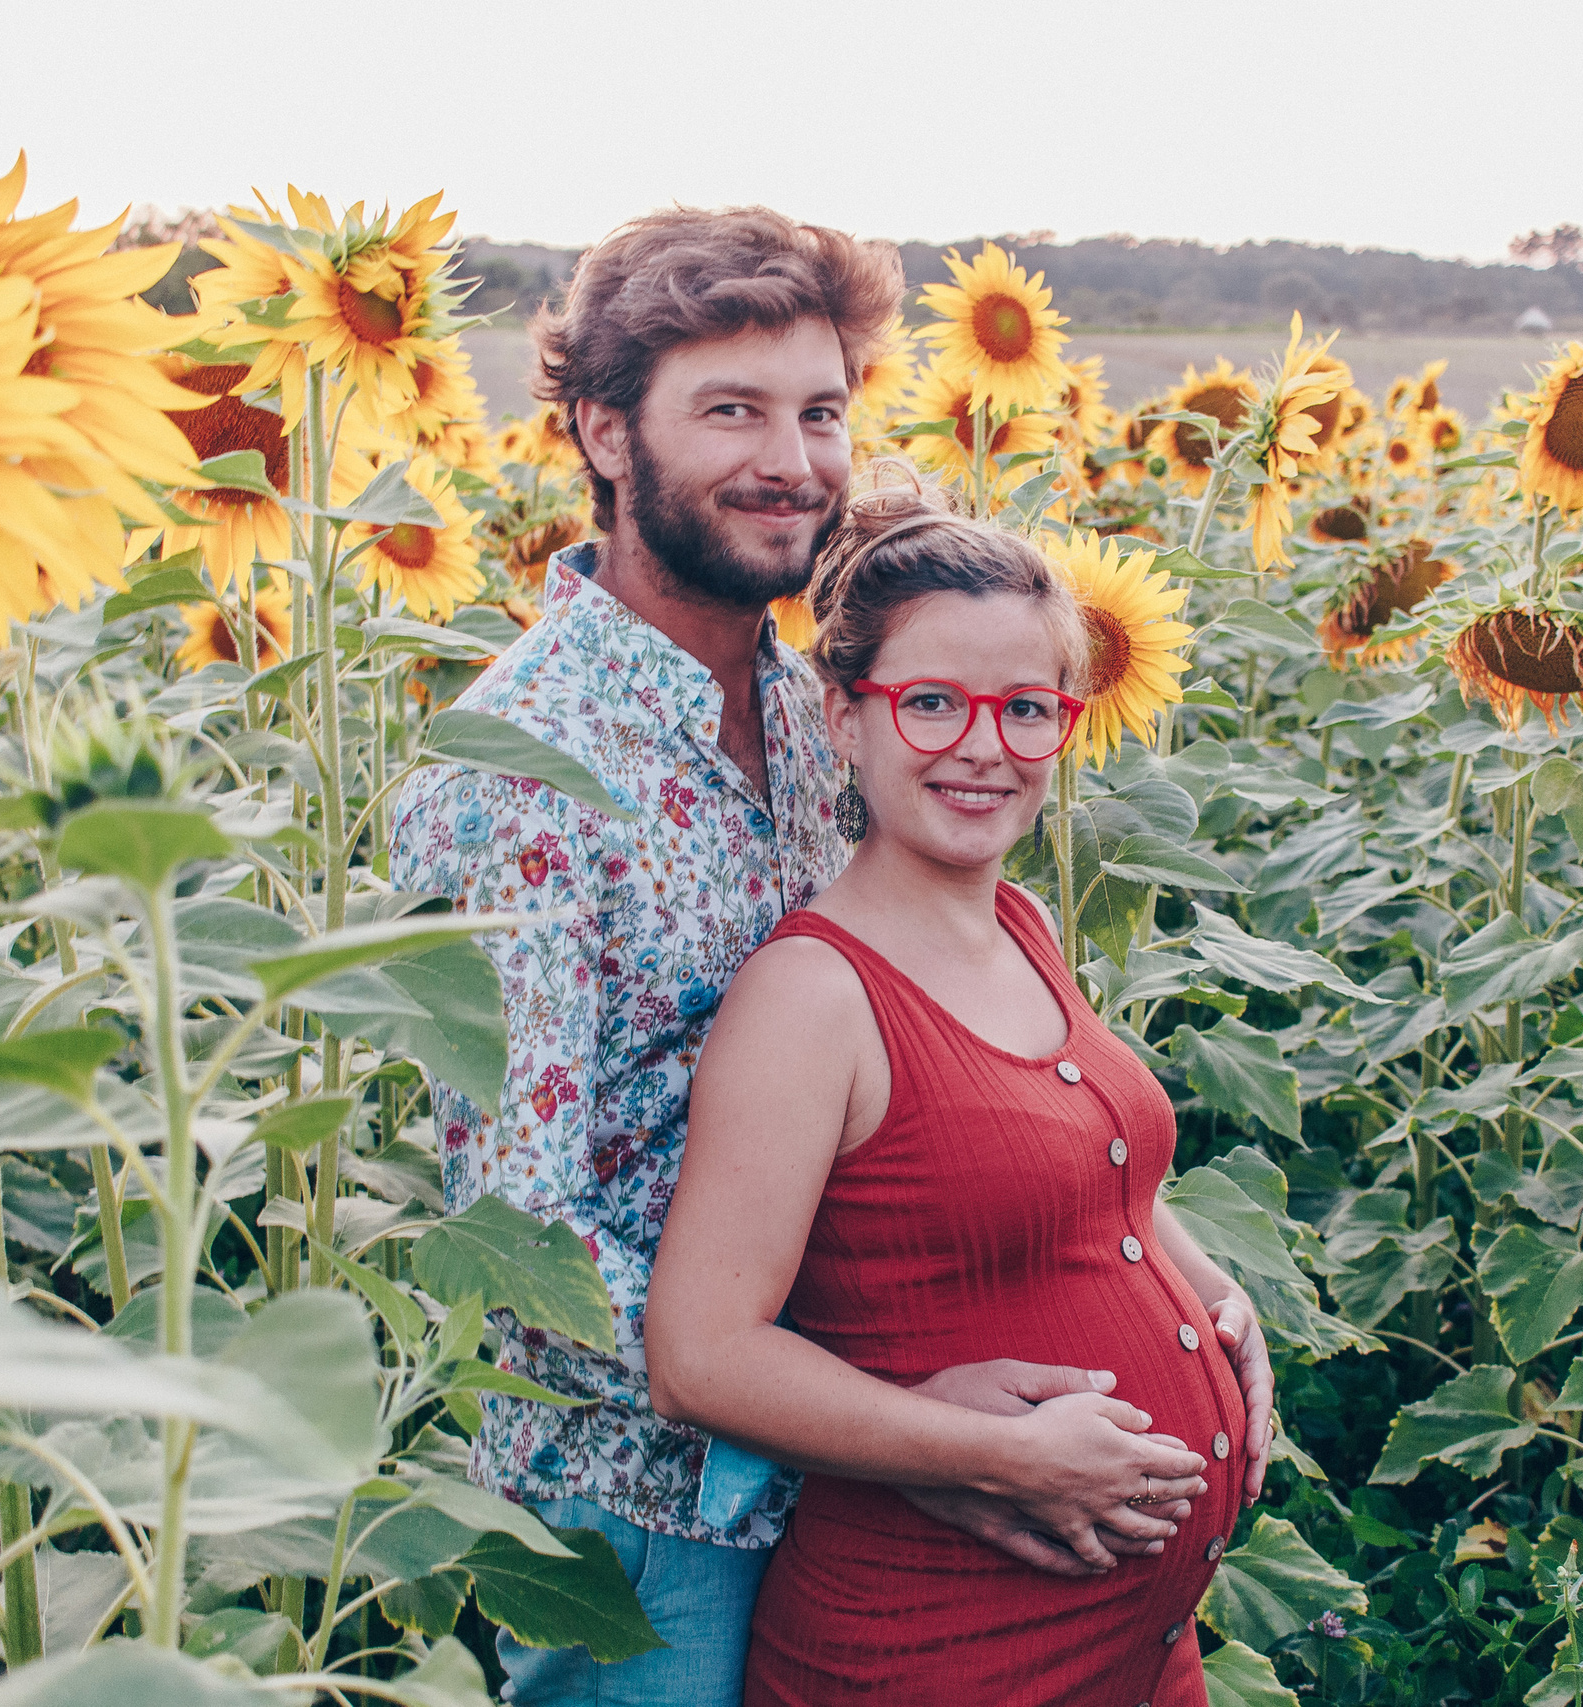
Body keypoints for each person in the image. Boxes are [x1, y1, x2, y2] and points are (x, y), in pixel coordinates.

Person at [390, 210, 1209, 1706]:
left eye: (820, 411)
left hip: (853, 1486)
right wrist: (901, 1410)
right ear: (605, 433)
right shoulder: (516, 771)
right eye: (732, 410)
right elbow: (516, 1243)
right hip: (639, 1520)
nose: (793, 458)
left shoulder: (812, 693)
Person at [646, 469, 1276, 1707]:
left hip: (1130, 1653)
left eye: (1026, 709)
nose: (984, 750)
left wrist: (1214, 1303)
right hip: (939, 1653)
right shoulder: (813, 997)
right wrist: (997, 1455)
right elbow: (700, 1356)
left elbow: (1101, 1174)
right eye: (930, 703)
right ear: (844, 715)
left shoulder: (1025, 923)